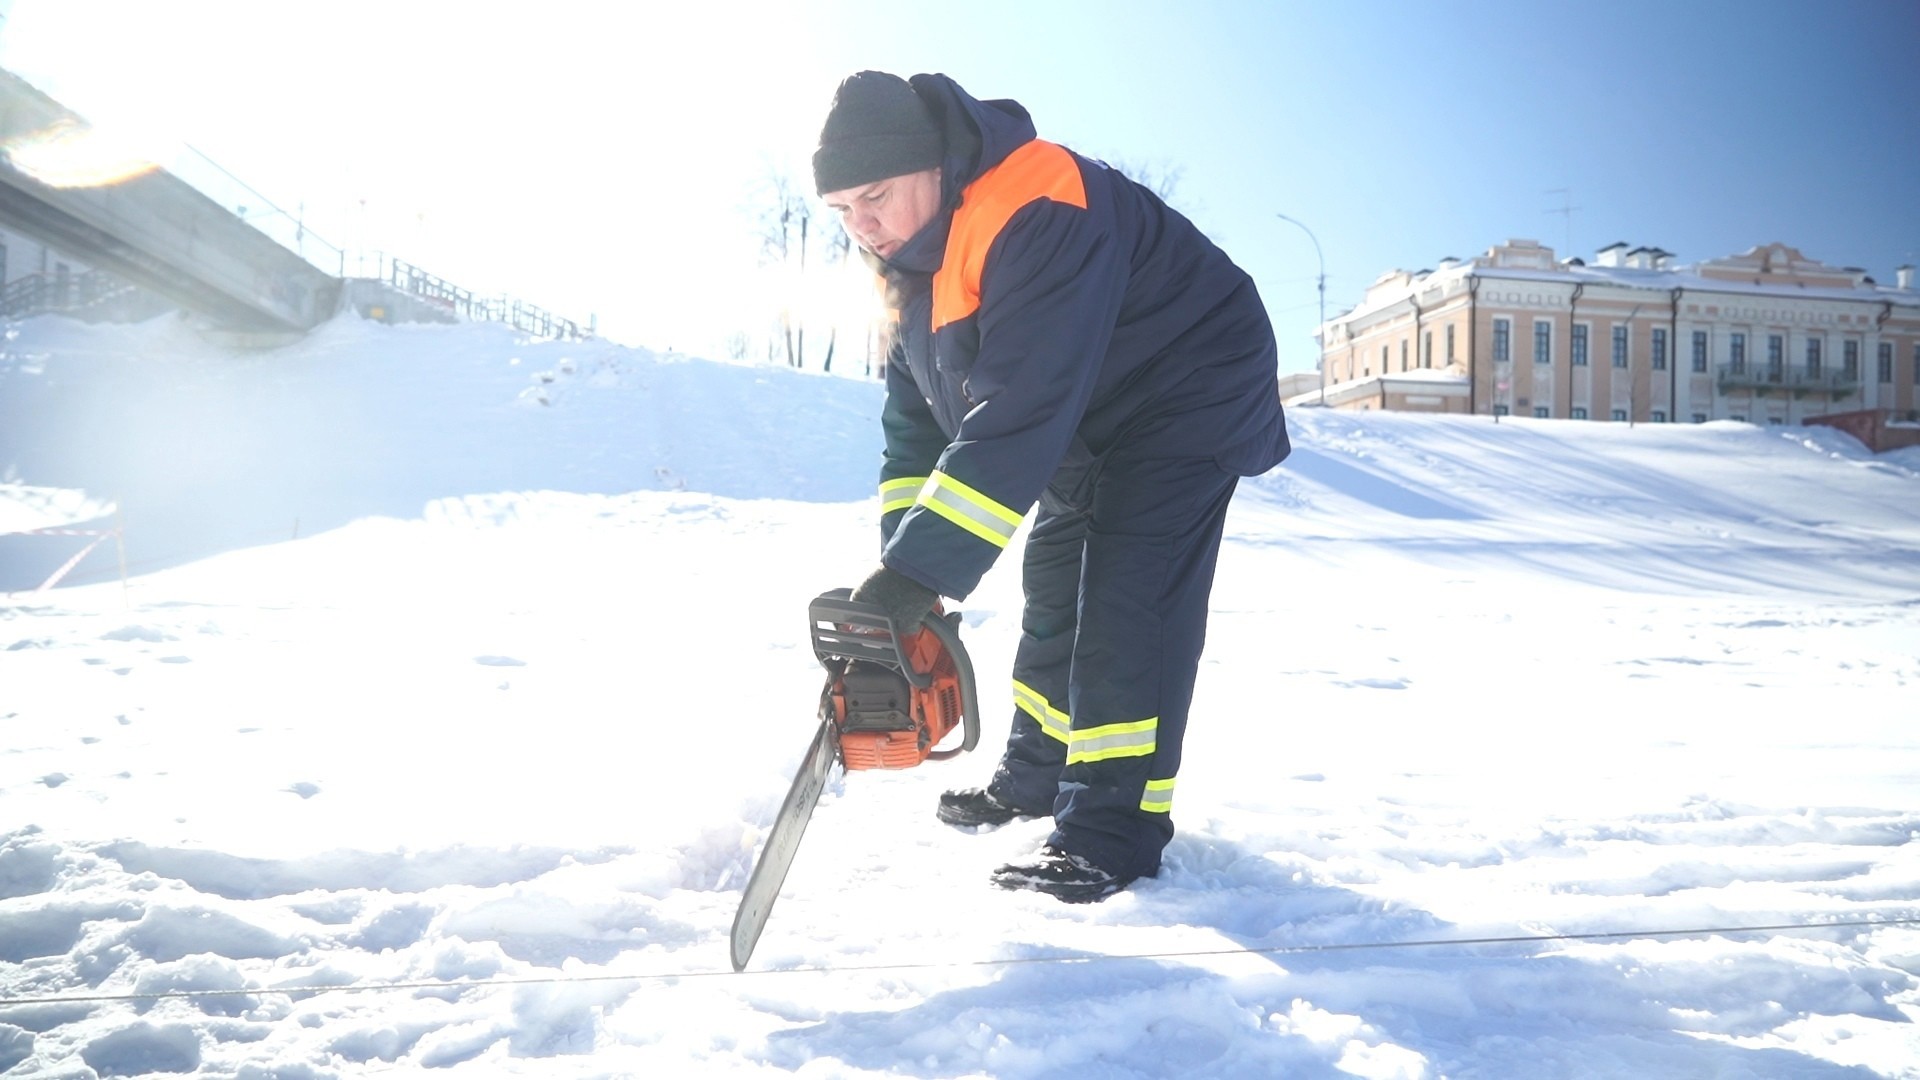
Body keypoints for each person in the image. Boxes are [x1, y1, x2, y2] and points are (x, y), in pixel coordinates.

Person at [815, 70, 1290, 903]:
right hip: (1089, 411)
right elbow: (919, 431)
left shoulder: (1035, 202)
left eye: (878, 195)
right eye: (844, 209)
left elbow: (1017, 412)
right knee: (1054, 588)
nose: (864, 225)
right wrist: (901, 580)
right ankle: (1034, 777)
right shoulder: (907, 277)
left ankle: (1110, 831)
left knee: (1126, 600)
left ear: (931, 164)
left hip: (1188, 384)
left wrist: (919, 578)